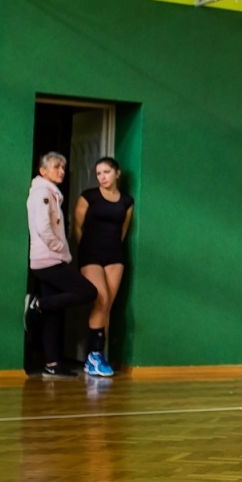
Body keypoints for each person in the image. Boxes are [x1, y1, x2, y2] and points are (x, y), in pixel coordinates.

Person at [25, 152, 98, 379]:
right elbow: (42, 227)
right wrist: (58, 247)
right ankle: (38, 304)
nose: (61, 171)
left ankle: (52, 363)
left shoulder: (50, 193)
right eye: (56, 167)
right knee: (88, 291)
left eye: (63, 167)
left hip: (50, 259)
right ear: (43, 171)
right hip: (49, 260)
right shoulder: (42, 193)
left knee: (53, 314)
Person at [74, 156, 133, 379]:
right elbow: (77, 227)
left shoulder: (127, 202)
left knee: (108, 305)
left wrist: (112, 250)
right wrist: (87, 249)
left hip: (114, 255)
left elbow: (123, 231)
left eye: (106, 172)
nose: (102, 177)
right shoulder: (88, 197)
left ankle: (96, 355)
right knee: (101, 299)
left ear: (117, 173)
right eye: (98, 173)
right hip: (91, 254)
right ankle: (94, 356)